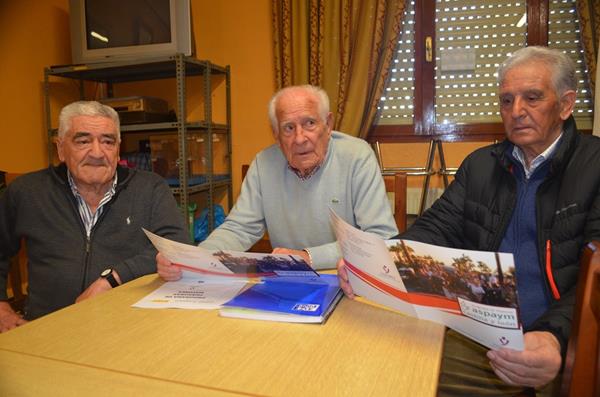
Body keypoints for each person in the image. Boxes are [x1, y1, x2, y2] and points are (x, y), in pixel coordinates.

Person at [338, 46, 600, 395]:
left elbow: (594, 279)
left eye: (532, 98)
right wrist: (374, 263)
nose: (516, 111)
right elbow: (435, 228)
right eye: (506, 101)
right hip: (478, 335)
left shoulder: (594, 167)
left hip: (559, 343)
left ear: (566, 105)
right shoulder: (480, 165)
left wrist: (555, 336)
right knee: (372, 363)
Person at [158, 84, 397, 280]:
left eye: (309, 123)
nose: (300, 138)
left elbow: (379, 237)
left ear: (328, 124)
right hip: (290, 282)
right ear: (275, 134)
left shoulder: (357, 156)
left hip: (349, 280)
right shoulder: (263, 164)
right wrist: (192, 259)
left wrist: (308, 257)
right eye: (288, 128)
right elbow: (239, 228)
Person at [0, 101, 189, 332]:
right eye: (83, 141)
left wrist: (112, 278)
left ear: (118, 149)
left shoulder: (149, 188)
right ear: (60, 148)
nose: (97, 153)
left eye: (108, 141)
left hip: (133, 327)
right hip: (47, 327)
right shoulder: (27, 192)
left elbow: (178, 247)